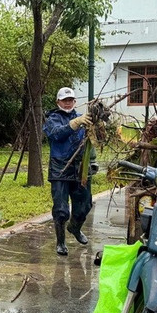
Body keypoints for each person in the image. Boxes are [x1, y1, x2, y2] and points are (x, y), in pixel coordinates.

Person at [42, 86, 97, 256]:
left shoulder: (82, 117)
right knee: (61, 209)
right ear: (58, 102)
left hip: (80, 167)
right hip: (60, 167)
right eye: (64, 101)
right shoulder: (52, 118)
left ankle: (74, 227)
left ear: (74, 101)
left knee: (85, 205)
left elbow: (91, 140)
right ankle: (61, 242)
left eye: (70, 100)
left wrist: (92, 161)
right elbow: (56, 134)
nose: (67, 104)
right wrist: (74, 123)